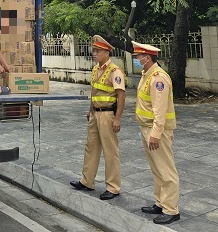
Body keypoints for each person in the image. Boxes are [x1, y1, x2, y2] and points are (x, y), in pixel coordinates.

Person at [70, 35, 126, 200]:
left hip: (108, 115)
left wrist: (117, 118)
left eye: (98, 51)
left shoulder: (115, 72)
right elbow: (94, 93)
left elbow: (121, 96)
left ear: (107, 52)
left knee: (110, 151)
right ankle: (87, 181)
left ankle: (113, 187)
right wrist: (90, 110)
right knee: (91, 148)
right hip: (95, 114)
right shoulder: (96, 69)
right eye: (93, 51)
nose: (94, 54)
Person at [132, 41, 180, 225]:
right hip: (146, 128)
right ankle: (160, 203)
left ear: (147, 57)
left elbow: (160, 110)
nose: (136, 60)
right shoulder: (147, 74)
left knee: (166, 170)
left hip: (156, 130)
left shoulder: (158, 78)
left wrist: (155, 133)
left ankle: (171, 209)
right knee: (157, 169)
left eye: (138, 57)